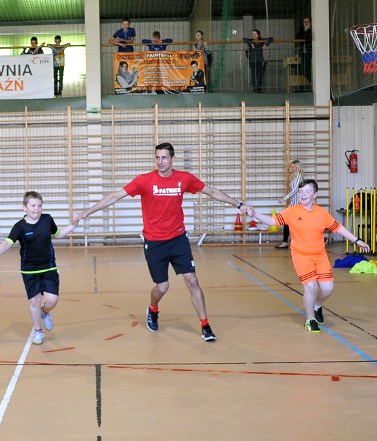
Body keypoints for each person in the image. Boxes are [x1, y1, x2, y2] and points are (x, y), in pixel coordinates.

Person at [73, 142, 250, 342]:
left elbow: (211, 192)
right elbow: (114, 197)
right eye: (157, 157)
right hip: (155, 242)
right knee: (162, 287)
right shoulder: (144, 180)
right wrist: (86, 213)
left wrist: (239, 205)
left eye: (164, 157)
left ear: (172, 159)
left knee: (192, 281)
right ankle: (153, 308)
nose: (160, 161)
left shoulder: (184, 179)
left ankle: (205, 325)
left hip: (178, 239)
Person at [245, 181, 370, 332]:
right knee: (311, 287)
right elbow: (272, 221)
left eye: (307, 191)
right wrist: (255, 214)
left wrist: (357, 240)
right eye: (301, 191)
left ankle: (317, 306)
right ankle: (310, 319)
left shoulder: (322, 213)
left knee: (327, 288)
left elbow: (339, 228)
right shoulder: (292, 211)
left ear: (315, 195)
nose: (303, 194)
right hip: (301, 256)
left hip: (320, 255)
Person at [0, 191, 78, 344]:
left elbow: (58, 234)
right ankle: (38, 331)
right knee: (34, 301)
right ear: (25, 207)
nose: (37, 209)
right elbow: (7, 243)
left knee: (52, 300)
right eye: (33, 205)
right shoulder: (19, 226)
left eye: (39, 205)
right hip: (29, 270)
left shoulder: (47, 219)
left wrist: (72, 225)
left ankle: (44, 312)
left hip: (49, 267)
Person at [275, 160, 304, 248]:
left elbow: (295, 190)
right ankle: (285, 242)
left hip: (298, 204)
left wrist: (284, 198)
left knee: (300, 224)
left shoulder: (299, 176)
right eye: (290, 167)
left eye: (292, 167)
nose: (290, 168)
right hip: (293, 203)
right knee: (286, 221)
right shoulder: (294, 177)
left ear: (297, 167)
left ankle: (322, 239)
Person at [297, 16, 313, 83]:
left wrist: (306, 31)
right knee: (304, 69)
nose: (306, 23)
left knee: (311, 68)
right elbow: (298, 37)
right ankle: (310, 82)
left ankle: (312, 83)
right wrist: (305, 31)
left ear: (310, 22)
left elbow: (309, 38)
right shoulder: (302, 30)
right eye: (304, 22)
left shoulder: (312, 30)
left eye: (307, 21)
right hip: (303, 53)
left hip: (310, 52)